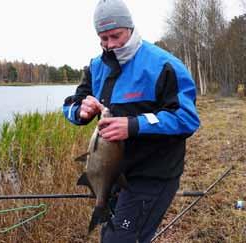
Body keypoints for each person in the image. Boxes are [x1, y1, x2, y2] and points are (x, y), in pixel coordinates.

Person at [62, 0, 200, 242]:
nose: (110, 45)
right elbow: (70, 105)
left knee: (121, 238)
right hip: (114, 174)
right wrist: (80, 111)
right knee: (114, 234)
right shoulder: (96, 67)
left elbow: (186, 118)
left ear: (131, 28)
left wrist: (134, 125)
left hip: (154, 174)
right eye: (103, 39)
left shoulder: (164, 66)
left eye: (116, 36)